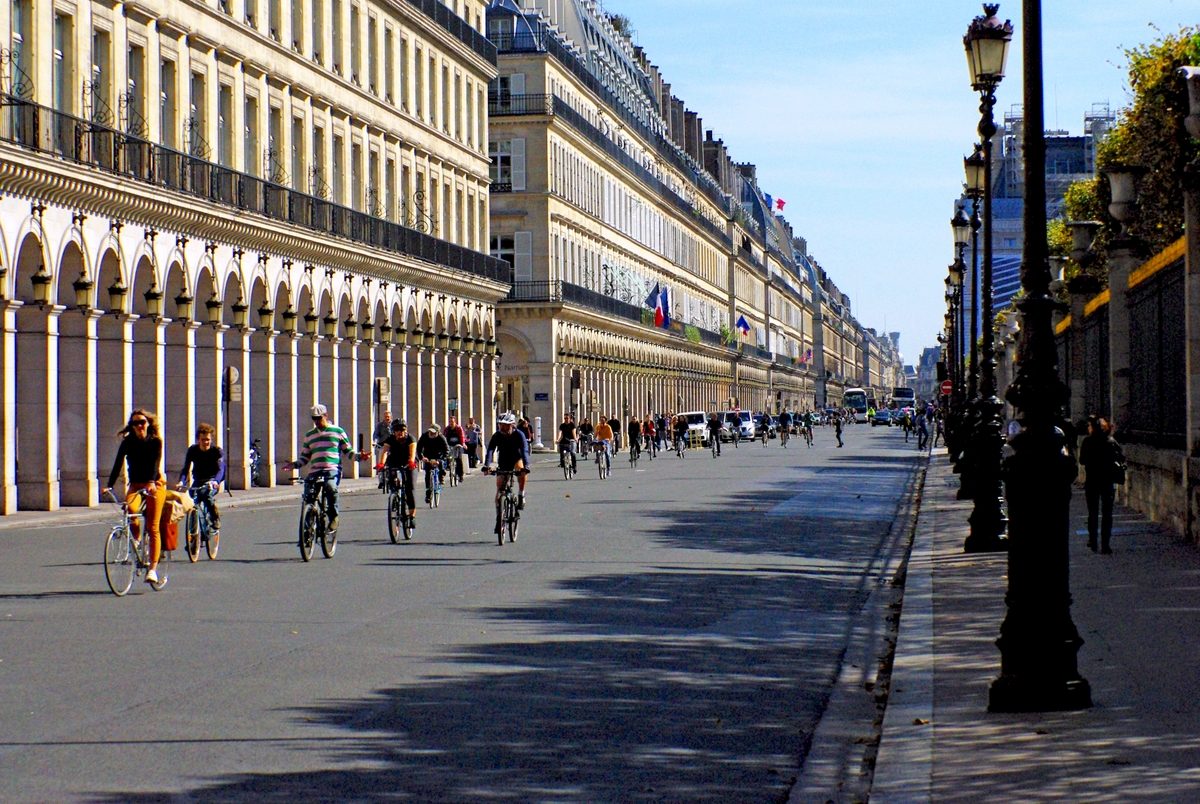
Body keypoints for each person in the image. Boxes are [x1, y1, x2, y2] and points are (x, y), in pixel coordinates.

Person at [103, 409, 168, 585]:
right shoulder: (128, 443)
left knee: (153, 527)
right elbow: (118, 464)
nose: (139, 426)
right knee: (130, 510)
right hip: (135, 484)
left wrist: (152, 482)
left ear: (148, 424)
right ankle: (137, 541)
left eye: (142, 422)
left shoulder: (155, 442)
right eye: (135, 423)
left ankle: (153, 569)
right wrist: (109, 484)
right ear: (131, 427)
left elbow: (156, 464)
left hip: (154, 485)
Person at [284, 404, 366, 536]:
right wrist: (295, 465)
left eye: (318, 418)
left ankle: (334, 517)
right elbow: (305, 456)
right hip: (316, 469)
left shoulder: (338, 431)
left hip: (332, 469)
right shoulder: (310, 435)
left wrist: (360, 457)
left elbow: (348, 451)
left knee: (330, 487)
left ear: (326, 416)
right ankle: (307, 530)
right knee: (308, 496)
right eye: (314, 418)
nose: (316, 421)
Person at [1079, 416, 1124, 554]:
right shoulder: (1110, 442)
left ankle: (1093, 541)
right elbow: (1121, 458)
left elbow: (1082, 460)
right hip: (1107, 481)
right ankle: (1105, 544)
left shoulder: (1088, 441)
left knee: (1092, 513)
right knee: (1107, 513)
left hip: (1092, 481)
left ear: (1092, 427)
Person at [177, 422, 225, 535]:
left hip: (211, 481)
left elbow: (221, 470)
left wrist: (215, 482)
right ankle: (193, 535)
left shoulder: (216, 451)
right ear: (198, 440)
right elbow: (185, 469)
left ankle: (215, 519)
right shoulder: (193, 450)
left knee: (206, 495)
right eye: (203, 439)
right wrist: (181, 481)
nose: (205, 442)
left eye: (208, 439)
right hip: (198, 481)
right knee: (192, 502)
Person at [483, 413, 531, 523]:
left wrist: (526, 465)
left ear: (512, 425)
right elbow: (490, 450)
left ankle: (521, 493)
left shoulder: (519, 435)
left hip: (516, 458)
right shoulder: (497, 436)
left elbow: (525, 450)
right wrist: (487, 465)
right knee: (499, 488)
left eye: (505, 425)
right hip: (504, 461)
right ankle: (499, 519)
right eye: (501, 425)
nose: (503, 428)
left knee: (521, 470)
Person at [376, 420, 417, 527]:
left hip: (408, 463)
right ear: (393, 431)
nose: (400, 432)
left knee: (409, 488)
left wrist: (411, 462)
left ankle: (412, 516)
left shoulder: (410, 439)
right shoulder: (390, 439)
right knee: (392, 480)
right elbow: (385, 451)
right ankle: (395, 500)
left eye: (402, 430)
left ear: (406, 430)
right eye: (397, 430)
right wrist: (381, 463)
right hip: (394, 461)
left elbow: (412, 452)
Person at [417, 424, 450, 504]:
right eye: (430, 432)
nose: (431, 434)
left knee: (441, 465)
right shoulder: (424, 436)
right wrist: (422, 457)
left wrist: (440, 459)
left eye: (433, 432)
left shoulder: (441, 438)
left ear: (438, 432)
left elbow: (447, 450)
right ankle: (428, 494)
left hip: (438, 455)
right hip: (428, 456)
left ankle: (441, 475)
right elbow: (419, 447)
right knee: (427, 474)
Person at [373, 410, 393, 489]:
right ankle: (381, 481)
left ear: (391, 417)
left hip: (392, 445)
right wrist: (375, 441)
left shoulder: (393, 425)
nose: (387, 418)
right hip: (383, 445)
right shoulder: (380, 425)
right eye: (385, 417)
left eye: (388, 417)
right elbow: (376, 435)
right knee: (381, 463)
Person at [444, 416, 467, 481]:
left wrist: (463, 444)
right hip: (450, 445)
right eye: (450, 422)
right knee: (448, 457)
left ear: (455, 422)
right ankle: (449, 467)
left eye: (452, 422)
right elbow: (444, 437)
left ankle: (460, 475)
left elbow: (462, 436)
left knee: (458, 459)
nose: (451, 423)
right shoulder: (447, 429)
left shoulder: (458, 428)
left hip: (458, 445)